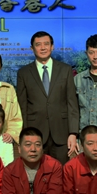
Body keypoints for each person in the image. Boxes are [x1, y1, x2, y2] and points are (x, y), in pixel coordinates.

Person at [16, 31, 81, 163]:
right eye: (38, 45)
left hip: (62, 133)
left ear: (52, 46)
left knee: (62, 171)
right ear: (32, 48)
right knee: (36, 171)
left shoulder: (65, 69)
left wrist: (73, 133)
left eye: (46, 44)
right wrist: (26, 136)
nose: (43, 48)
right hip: (35, 134)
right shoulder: (24, 73)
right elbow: (22, 106)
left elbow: (72, 103)